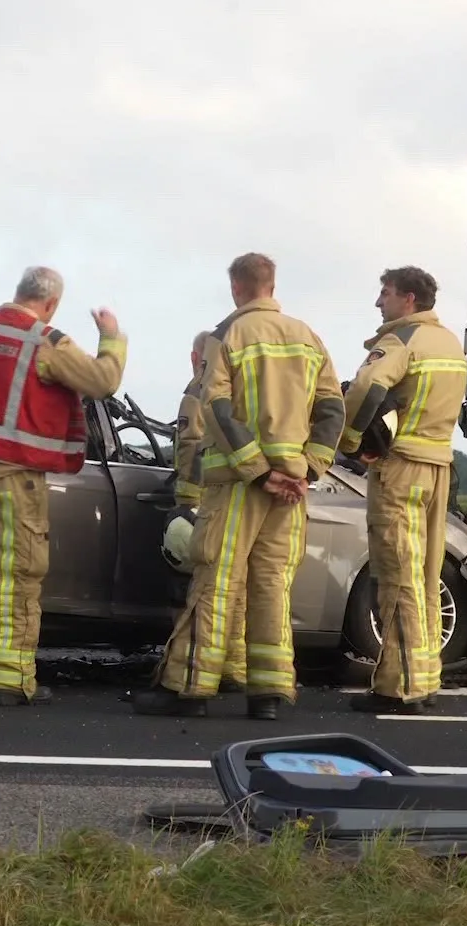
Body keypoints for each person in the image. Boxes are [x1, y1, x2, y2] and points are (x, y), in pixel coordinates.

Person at [133, 252, 344, 720]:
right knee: (271, 585)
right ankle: (268, 693)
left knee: (215, 579)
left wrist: (257, 471)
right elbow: (333, 409)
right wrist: (307, 470)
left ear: (236, 287)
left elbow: (217, 408)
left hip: (237, 485)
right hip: (290, 489)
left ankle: (189, 686)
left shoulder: (227, 334)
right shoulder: (309, 338)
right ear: (271, 284)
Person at [0, 266, 126, 705]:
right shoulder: (46, 341)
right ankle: (11, 679)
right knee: (18, 577)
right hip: (13, 479)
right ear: (50, 304)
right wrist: (112, 337)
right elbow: (103, 382)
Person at [337, 266, 467, 714]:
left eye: (385, 293)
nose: (379, 303)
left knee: (398, 576)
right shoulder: (449, 342)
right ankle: (425, 679)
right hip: (438, 467)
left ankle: (399, 687)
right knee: (427, 576)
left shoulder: (399, 341)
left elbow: (366, 385)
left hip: (401, 469)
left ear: (408, 299)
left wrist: (351, 442)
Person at [170, 329, 244, 693]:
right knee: (238, 587)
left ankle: (197, 675)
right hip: (238, 493)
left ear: (196, 357)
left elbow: (190, 446)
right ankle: (234, 667)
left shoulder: (196, 390)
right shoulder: (236, 386)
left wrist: (185, 502)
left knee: (206, 586)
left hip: (206, 499)